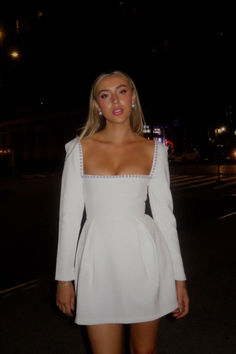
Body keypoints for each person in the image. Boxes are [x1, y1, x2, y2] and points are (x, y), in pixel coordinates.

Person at [55, 70, 189, 354]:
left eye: (122, 91)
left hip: (145, 260)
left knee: (144, 351)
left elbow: (165, 217)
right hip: (97, 263)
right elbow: (68, 217)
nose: (115, 99)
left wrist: (179, 277)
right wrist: (64, 278)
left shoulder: (154, 150)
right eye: (105, 95)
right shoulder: (78, 149)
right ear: (96, 105)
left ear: (133, 98)